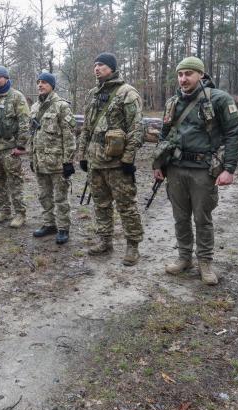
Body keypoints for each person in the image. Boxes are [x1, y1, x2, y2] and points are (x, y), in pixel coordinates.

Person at [152, 57, 238, 285]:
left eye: (189, 74)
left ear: (201, 74)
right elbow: (164, 134)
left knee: (202, 218)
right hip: (176, 169)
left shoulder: (219, 99)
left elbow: (233, 134)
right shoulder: (173, 102)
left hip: (203, 170)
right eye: (180, 74)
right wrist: (158, 164)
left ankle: (205, 262)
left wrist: (229, 168)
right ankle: (184, 257)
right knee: (180, 217)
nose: (183, 79)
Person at [78, 52, 143, 266]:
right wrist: (83, 155)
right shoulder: (92, 94)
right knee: (101, 204)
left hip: (116, 163)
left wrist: (128, 158)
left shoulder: (127, 93)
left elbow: (135, 128)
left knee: (126, 205)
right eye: (95, 65)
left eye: (102, 65)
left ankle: (132, 245)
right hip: (96, 161)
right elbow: (86, 127)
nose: (97, 68)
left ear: (112, 68)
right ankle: (105, 240)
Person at [29, 72, 77, 244]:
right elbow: (32, 135)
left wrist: (68, 161)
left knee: (61, 198)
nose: (40, 85)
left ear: (52, 85)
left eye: (44, 82)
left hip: (57, 162)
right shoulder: (34, 107)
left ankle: (63, 228)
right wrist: (31, 157)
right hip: (40, 161)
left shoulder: (61, 106)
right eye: (38, 82)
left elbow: (69, 136)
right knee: (44, 195)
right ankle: (49, 224)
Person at [0, 66, 31, 228]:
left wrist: (21, 146)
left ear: (6, 79)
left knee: (14, 182)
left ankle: (20, 213)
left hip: (10, 149)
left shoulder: (17, 97)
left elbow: (25, 123)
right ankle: (4, 211)